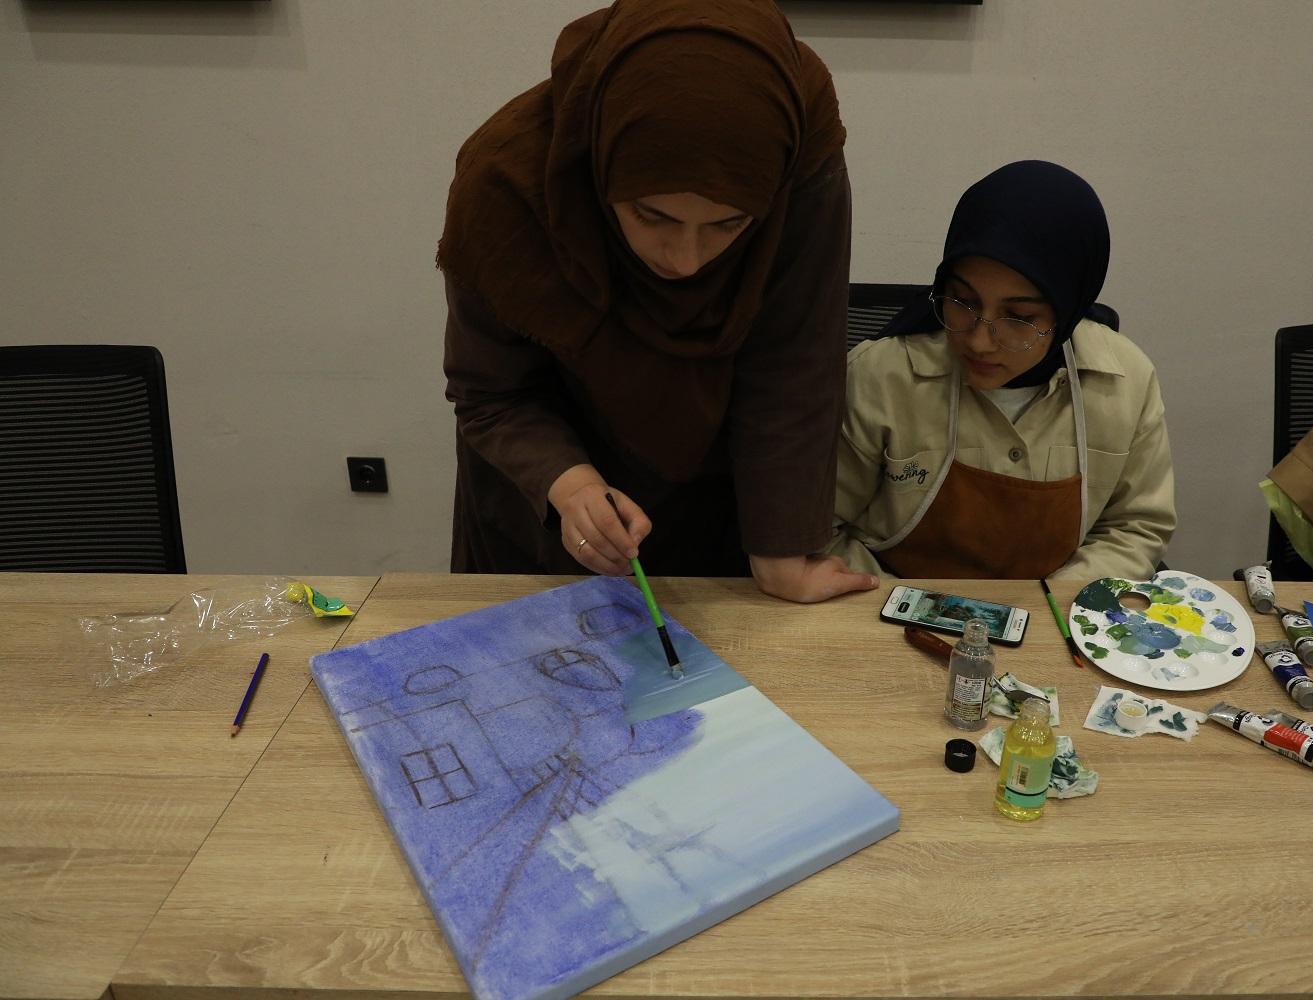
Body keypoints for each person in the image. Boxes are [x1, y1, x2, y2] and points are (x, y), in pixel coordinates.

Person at [438, 0, 877, 603]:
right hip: (546, 499)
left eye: (728, 224)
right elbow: (490, 391)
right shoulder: (506, 181)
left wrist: (780, 554)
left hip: (722, 498)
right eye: (652, 215)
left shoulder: (797, 150)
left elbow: (794, 359)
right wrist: (571, 487)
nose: (685, 261)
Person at [826, 161, 1175, 581]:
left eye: (1019, 317)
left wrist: (1052, 606)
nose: (979, 341)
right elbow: (817, 529)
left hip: (1054, 613)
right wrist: (903, 604)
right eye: (963, 301)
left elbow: (1134, 527)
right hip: (889, 608)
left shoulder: (1126, 381)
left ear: (1067, 310)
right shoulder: (881, 376)